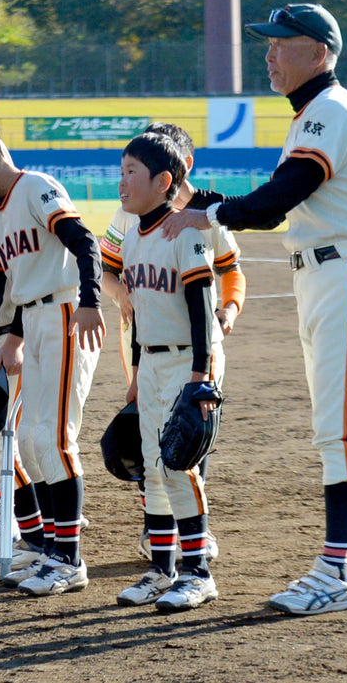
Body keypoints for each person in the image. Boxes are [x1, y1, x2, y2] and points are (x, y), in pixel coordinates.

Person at [162, 3, 347, 615]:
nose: (269, 54)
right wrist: (212, 203)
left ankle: (334, 574)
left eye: (282, 43)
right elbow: (281, 200)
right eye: (268, 43)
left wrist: (211, 213)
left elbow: (278, 201)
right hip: (336, 273)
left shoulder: (331, 109)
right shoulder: (316, 113)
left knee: (339, 430)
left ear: (319, 52)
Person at [0, 119, 105, 597]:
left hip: (65, 315)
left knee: (52, 441)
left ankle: (68, 559)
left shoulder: (34, 188)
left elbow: (83, 240)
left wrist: (90, 300)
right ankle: (42, 545)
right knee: (29, 439)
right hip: (33, 320)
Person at [99, 122, 245, 563]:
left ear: (176, 171)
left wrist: (228, 312)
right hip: (146, 339)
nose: (124, 180)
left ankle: (195, 545)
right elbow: (107, 271)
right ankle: (160, 544)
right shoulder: (128, 219)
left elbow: (231, 272)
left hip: (194, 344)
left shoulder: (204, 215)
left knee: (187, 438)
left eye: (134, 169)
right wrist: (122, 293)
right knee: (151, 447)